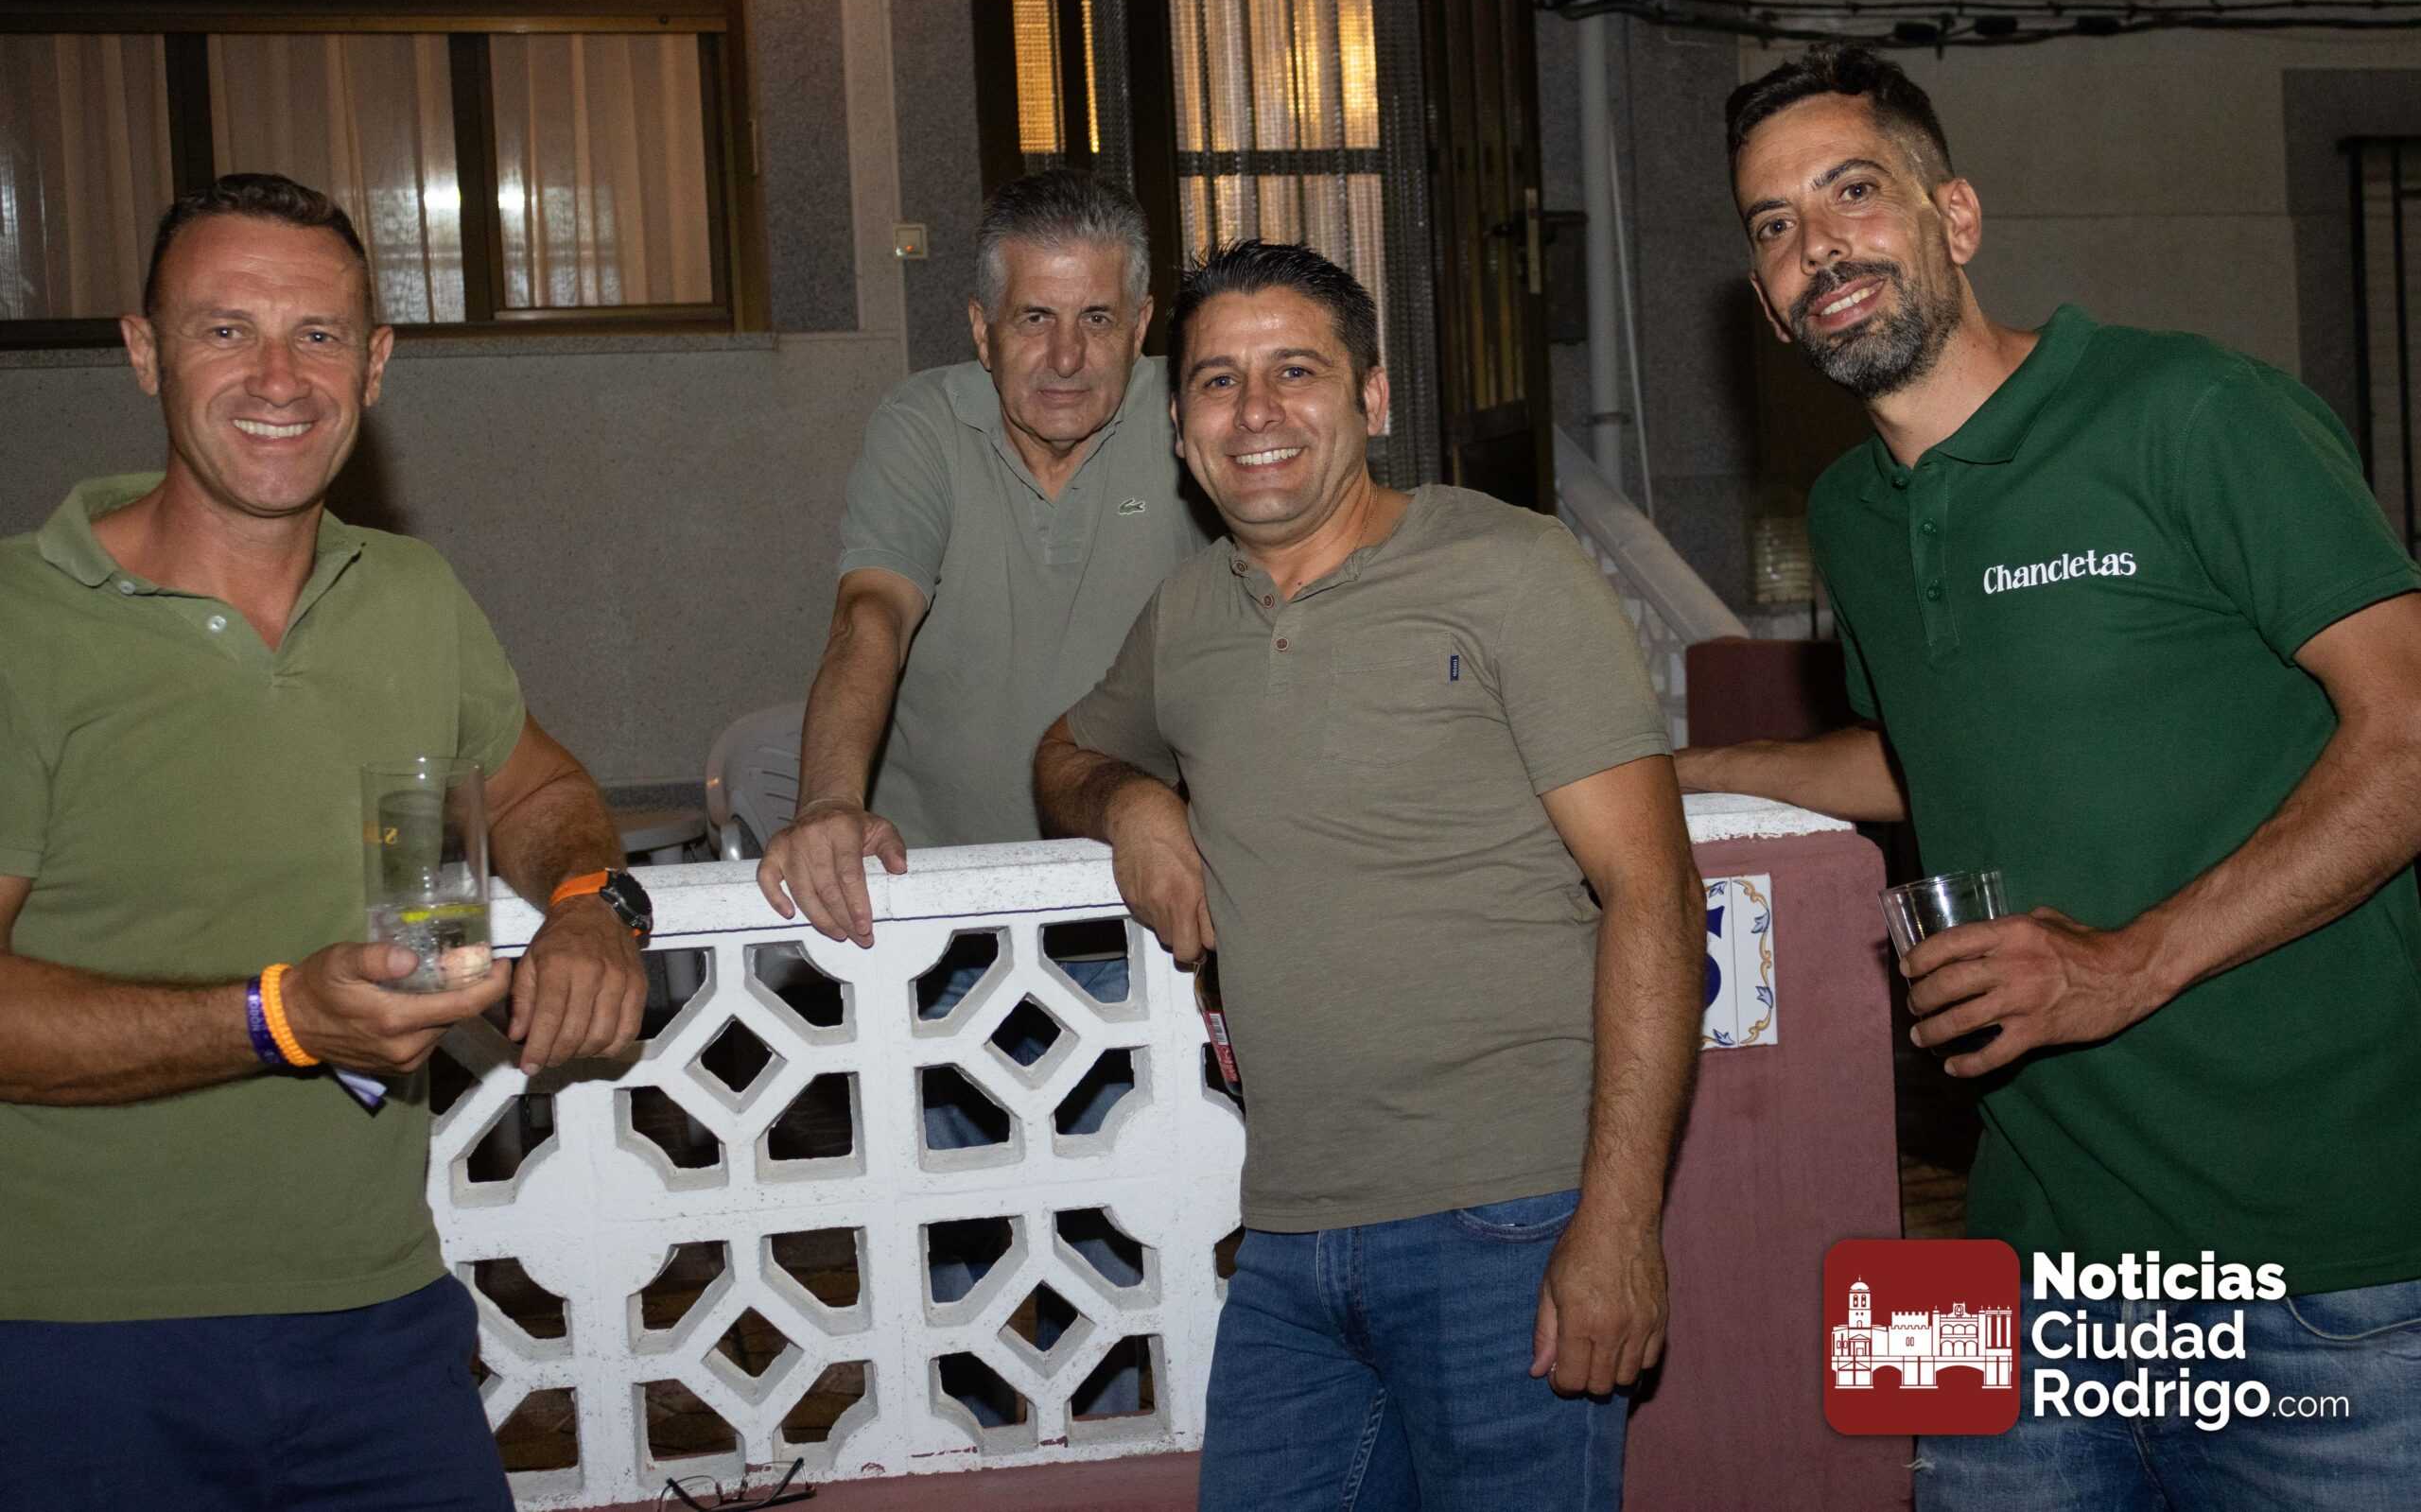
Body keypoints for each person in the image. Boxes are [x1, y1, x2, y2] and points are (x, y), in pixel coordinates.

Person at [1698, 43, 2421, 1508]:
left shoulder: (2192, 410)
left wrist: (2127, 965)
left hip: (2319, 1270)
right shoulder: (1849, 512)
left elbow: (2408, 731)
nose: (1817, 244)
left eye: (1853, 192)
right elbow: (1929, 756)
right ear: (1765, 297)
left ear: (1956, 217)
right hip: (2010, 1245)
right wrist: (1670, 775)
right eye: (1774, 224)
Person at [0, 174, 653, 1508]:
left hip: (380, 1323)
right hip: (70, 1338)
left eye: (318, 334)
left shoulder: (409, 593)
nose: (278, 379)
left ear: (376, 363)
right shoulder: (24, 621)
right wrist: (280, 1018)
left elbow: (537, 790)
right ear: (143, 352)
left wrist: (592, 902)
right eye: (224, 330)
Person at [1033, 240, 1703, 1508]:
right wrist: (1129, 801)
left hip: (1510, 1218)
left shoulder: (1509, 569)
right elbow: (1061, 753)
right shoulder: (1186, 617)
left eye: (1296, 371)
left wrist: (1619, 1222)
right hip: (1288, 1237)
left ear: (1374, 399)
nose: (1257, 412)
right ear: (1179, 429)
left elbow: (1653, 891)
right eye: (1219, 382)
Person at [756, 169, 1206, 1420]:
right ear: (979, 327)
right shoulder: (923, 424)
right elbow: (871, 615)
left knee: (1120, 1251)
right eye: (1032, 319)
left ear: (1145, 324)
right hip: (936, 927)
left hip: (1132, 920)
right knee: (950, 1263)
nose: (1064, 357)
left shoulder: (1195, 418)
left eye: (1098, 320)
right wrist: (827, 801)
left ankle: (1112, 1479)